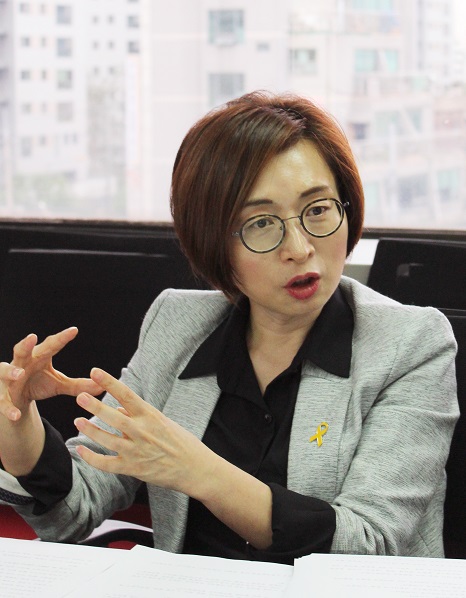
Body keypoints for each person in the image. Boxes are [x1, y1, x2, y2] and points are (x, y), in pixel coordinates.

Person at [0, 91, 459, 563]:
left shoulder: (410, 345)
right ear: (214, 243)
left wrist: (199, 470)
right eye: (261, 223)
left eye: (318, 210)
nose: (299, 248)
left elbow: (370, 545)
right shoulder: (177, 326)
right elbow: (74, 511)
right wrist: (19, 429)